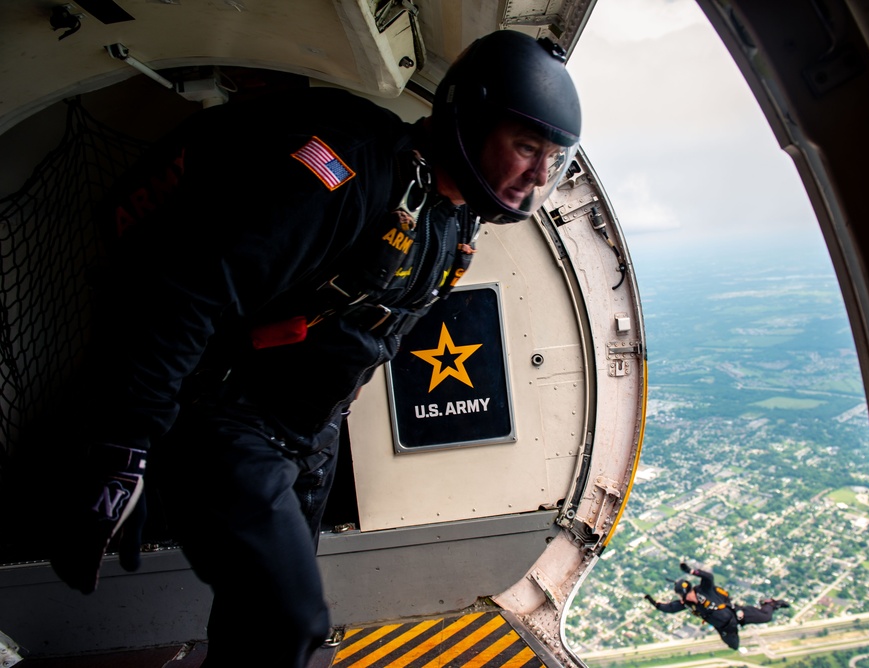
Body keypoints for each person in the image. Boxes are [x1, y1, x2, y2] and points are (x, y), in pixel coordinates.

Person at [43, 29, 581, 668]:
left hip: (307, 436)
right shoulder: (348, 172)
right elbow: (191, 291)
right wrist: (124, 447)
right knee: (289, 625)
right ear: (469, 116)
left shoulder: (452, 217)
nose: (539, 173)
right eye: (526, 146)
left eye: (553, 157)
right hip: (226, 420)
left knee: (255, 630)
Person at [643, 562, 790, 651]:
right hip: (725, 627)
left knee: (767, 617)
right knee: (734, 646)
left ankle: (771, 604)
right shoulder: (688, 604)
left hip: (735, 614)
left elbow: (708, 577)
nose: (682, 599)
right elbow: (669, 609)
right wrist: (653, 602)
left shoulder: (704, 589)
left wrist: (691, 571)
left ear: (687, 591)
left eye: (682, 595)